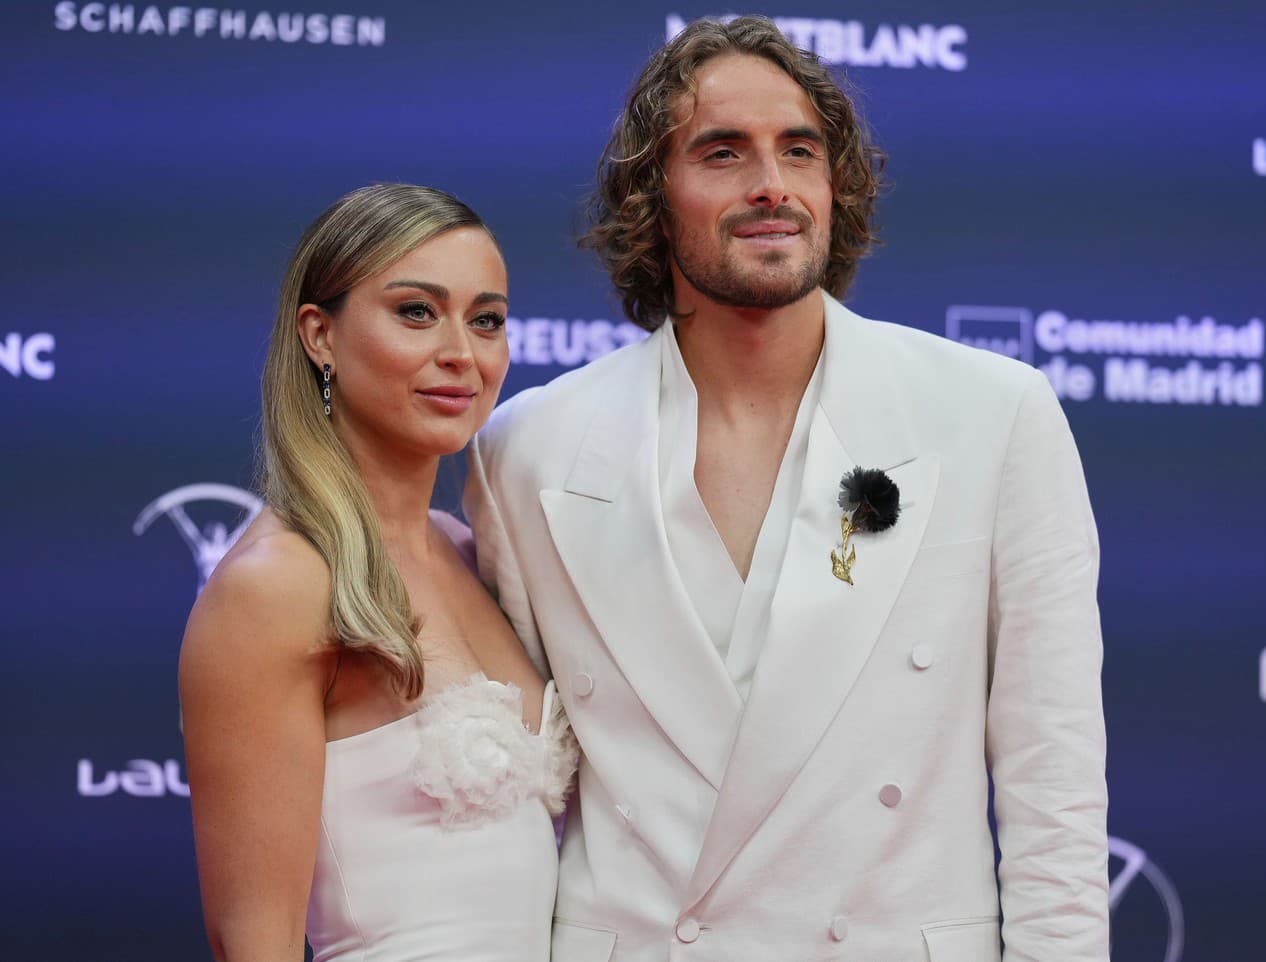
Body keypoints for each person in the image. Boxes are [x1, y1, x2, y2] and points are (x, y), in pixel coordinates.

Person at [465, 16, 1108, 962]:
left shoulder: (993, 414)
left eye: (799, 151)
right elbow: (519, 806)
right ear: (652, 195)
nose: (771, 183)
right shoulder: (527, 450)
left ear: (835, 185)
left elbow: (1056, 784)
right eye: (723, 152)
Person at [180, 183, 577, 962]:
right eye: (417, 312)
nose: (461, 353)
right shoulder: (277, 584)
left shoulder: (465, 549)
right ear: (320, 335)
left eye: (486, 320)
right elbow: (252, 940)